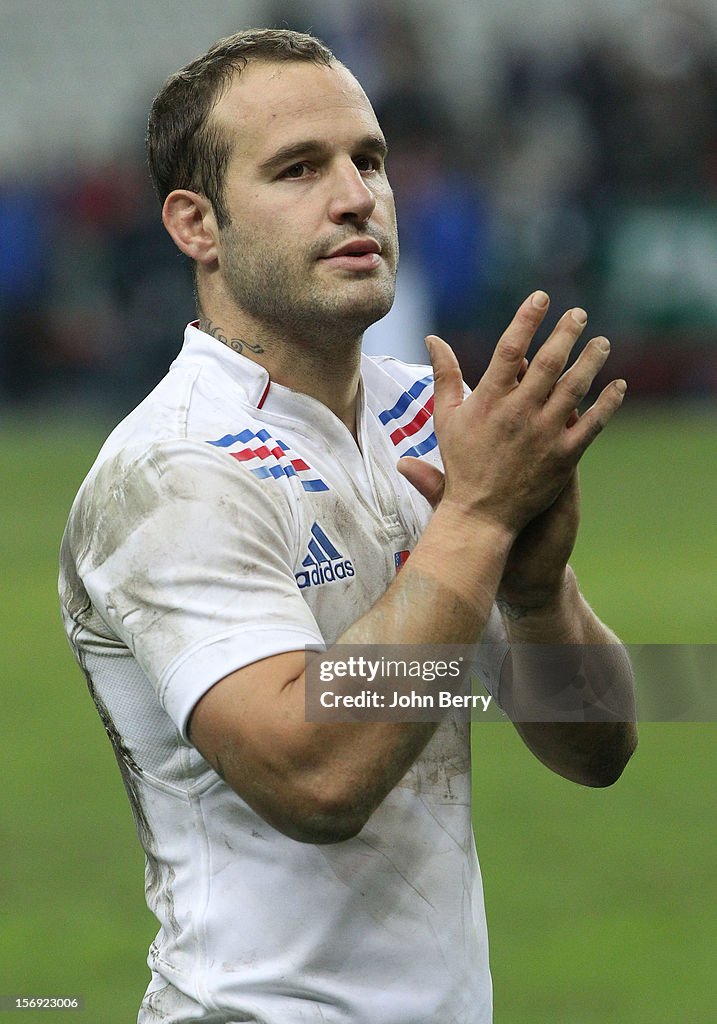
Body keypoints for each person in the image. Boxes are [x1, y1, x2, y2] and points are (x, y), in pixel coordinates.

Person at [59, 28, 637, 1024]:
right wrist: (480, 520)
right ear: (197, 225)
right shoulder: (171, 471)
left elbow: (599, 747)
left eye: (368, 159)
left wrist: (541, 596)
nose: (355, 194)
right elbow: (318, 775)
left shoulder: (429, 417)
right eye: (297, 168)